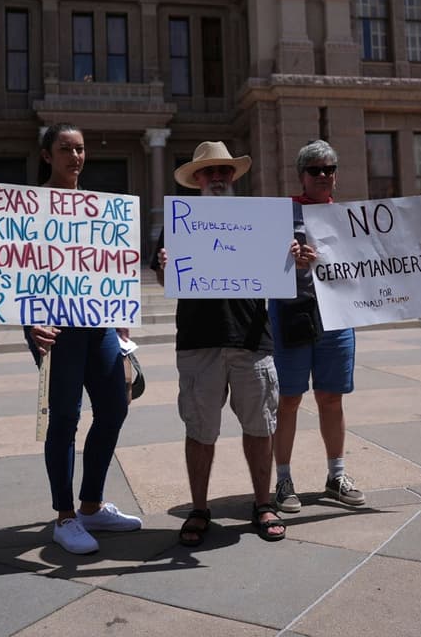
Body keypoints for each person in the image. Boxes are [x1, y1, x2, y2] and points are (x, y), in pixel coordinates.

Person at [270, 139, 421, 513]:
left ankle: (336, 475)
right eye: (315, 170)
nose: (323, 175)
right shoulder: (281, 215)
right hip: (291, 313)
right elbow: (261, 268)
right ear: (301, 176)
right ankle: (283, 480)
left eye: (329, 169)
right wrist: (289, 261)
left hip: (337, 317)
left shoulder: (352, 219)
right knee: (289, 400)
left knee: (331, 397)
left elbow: (393, 256)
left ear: (336, 176)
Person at [152, 141, 296, 545]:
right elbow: (165, 281)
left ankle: (263, 503)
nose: (217, 177)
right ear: (196, 179)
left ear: (233, 176)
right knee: (200, 430)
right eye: (209, 171)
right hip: (199, 341)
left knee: (260, 425)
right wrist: (165, 269)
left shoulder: (260, 220)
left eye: (224, 171)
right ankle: (199, 508)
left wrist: (291, 255)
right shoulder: (181, 222)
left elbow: (283, 270)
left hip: (252, 336)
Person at [26, 122, 141, 555]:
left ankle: (92, 505)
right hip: (55, 330)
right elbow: (11, 270)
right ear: (46, 155)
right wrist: (28, 323)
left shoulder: (99, 208)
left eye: (80, 149)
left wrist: (122, 321)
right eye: (65, 149)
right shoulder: (28, 207)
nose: (75, 157)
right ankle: (65, 517)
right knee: (65, 418)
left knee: (114, 406)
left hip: (99, 325)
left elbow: (113, 268)